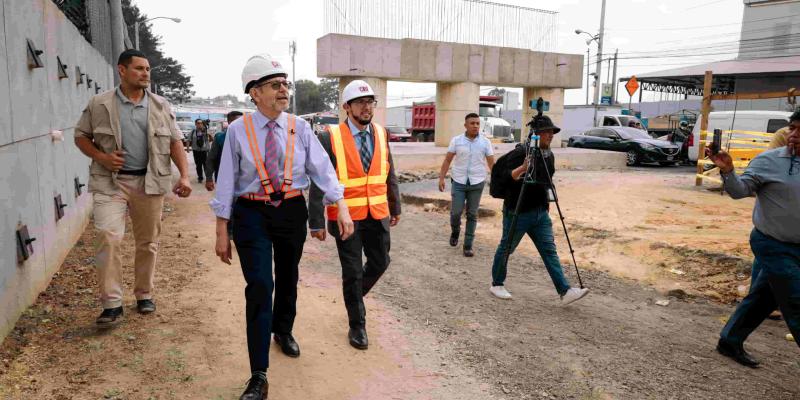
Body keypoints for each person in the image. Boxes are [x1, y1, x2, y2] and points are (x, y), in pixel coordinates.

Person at [210, 54, 354, 400]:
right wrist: (221, 230)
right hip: (252, 213)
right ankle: (258, 374)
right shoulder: (236, 131)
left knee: (288, 276)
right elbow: (227, 180)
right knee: (260, 285)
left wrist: (342, 207)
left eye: (285, 84)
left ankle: (283, 329)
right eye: (275, 85)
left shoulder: (300, 128)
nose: (283, 90)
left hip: (291, 210)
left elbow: (323, 171)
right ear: (254, 93)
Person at [73, 49, 192, 328]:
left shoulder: (161, 105)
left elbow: (175, 142)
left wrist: (184, 177)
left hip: (149, 182)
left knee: (147, 242)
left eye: (148, 69)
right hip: (110, 182)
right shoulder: (99, 104)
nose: (145, 73)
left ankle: (144, 294)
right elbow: (80, 136)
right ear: (122, 70)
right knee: (108, 236)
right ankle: (112, 304)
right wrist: (101, 157)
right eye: (139, 68)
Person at [308, 80, 401, 351]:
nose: (366, 107)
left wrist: (395, 206)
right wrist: (315, 220)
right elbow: (319, 180)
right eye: (360, 102)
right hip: (345, 216)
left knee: (381, 261)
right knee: (351, 270)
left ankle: (354, 295)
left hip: (378, 213)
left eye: (370, 102)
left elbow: (389, 172)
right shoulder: (330, 136)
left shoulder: (381, 134)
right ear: (347, 107)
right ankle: (357, 325)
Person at [710, 120, 800, 368]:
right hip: (773, 244)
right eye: (793, 128)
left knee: (765, 296)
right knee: (796, 301)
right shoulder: (769, 161)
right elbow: (740, 191)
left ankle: (730, 340)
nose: (794, 135)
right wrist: (728, 172)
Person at [488, 115, 589, 304]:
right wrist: (523, 168)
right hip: (517, 211)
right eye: (547, 132)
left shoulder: (548, 155)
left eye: (552, 132)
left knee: (549, 251)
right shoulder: (521, 153)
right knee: (506, 248)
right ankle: (497, 284)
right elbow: (505, 175)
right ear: (536, 134)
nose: (551, 135)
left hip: (540, 213)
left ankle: (565, 291)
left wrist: (547, 204)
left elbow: (546, 182)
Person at [438, 113, 495, 257]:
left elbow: (491, 163)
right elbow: (447, 161)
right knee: (456, 212)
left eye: (477, 123)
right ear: (465, 125)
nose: (475, 126)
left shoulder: (485, 142)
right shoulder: (456, 141)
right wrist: (441, 178)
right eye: (472, 123)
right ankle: (455, 231)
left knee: (472, 214)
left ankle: (468, 245)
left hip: (477, 182)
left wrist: (497, 180)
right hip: (458, 181)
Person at [205, 111, 243, 191]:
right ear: (229, 122)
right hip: (224, 179)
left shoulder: (248, 138)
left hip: (243, 181)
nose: (241, 124)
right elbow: (211, 159)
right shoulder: (220, 138)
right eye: (237, 121)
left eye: (243, 121)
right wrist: (209, 179)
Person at [190, 118, 213, 183]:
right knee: (198, 165)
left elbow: (211, 140)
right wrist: (189, 148)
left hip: (204, 151)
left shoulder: (206, 131)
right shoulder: (193, 132)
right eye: (198, 123)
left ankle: (208, 178)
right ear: (195, 124)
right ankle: (200, 177)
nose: (200, 124)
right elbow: (189, 139)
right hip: (196, 151)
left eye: (201, 123)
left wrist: (208, 135)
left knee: (206, 165)